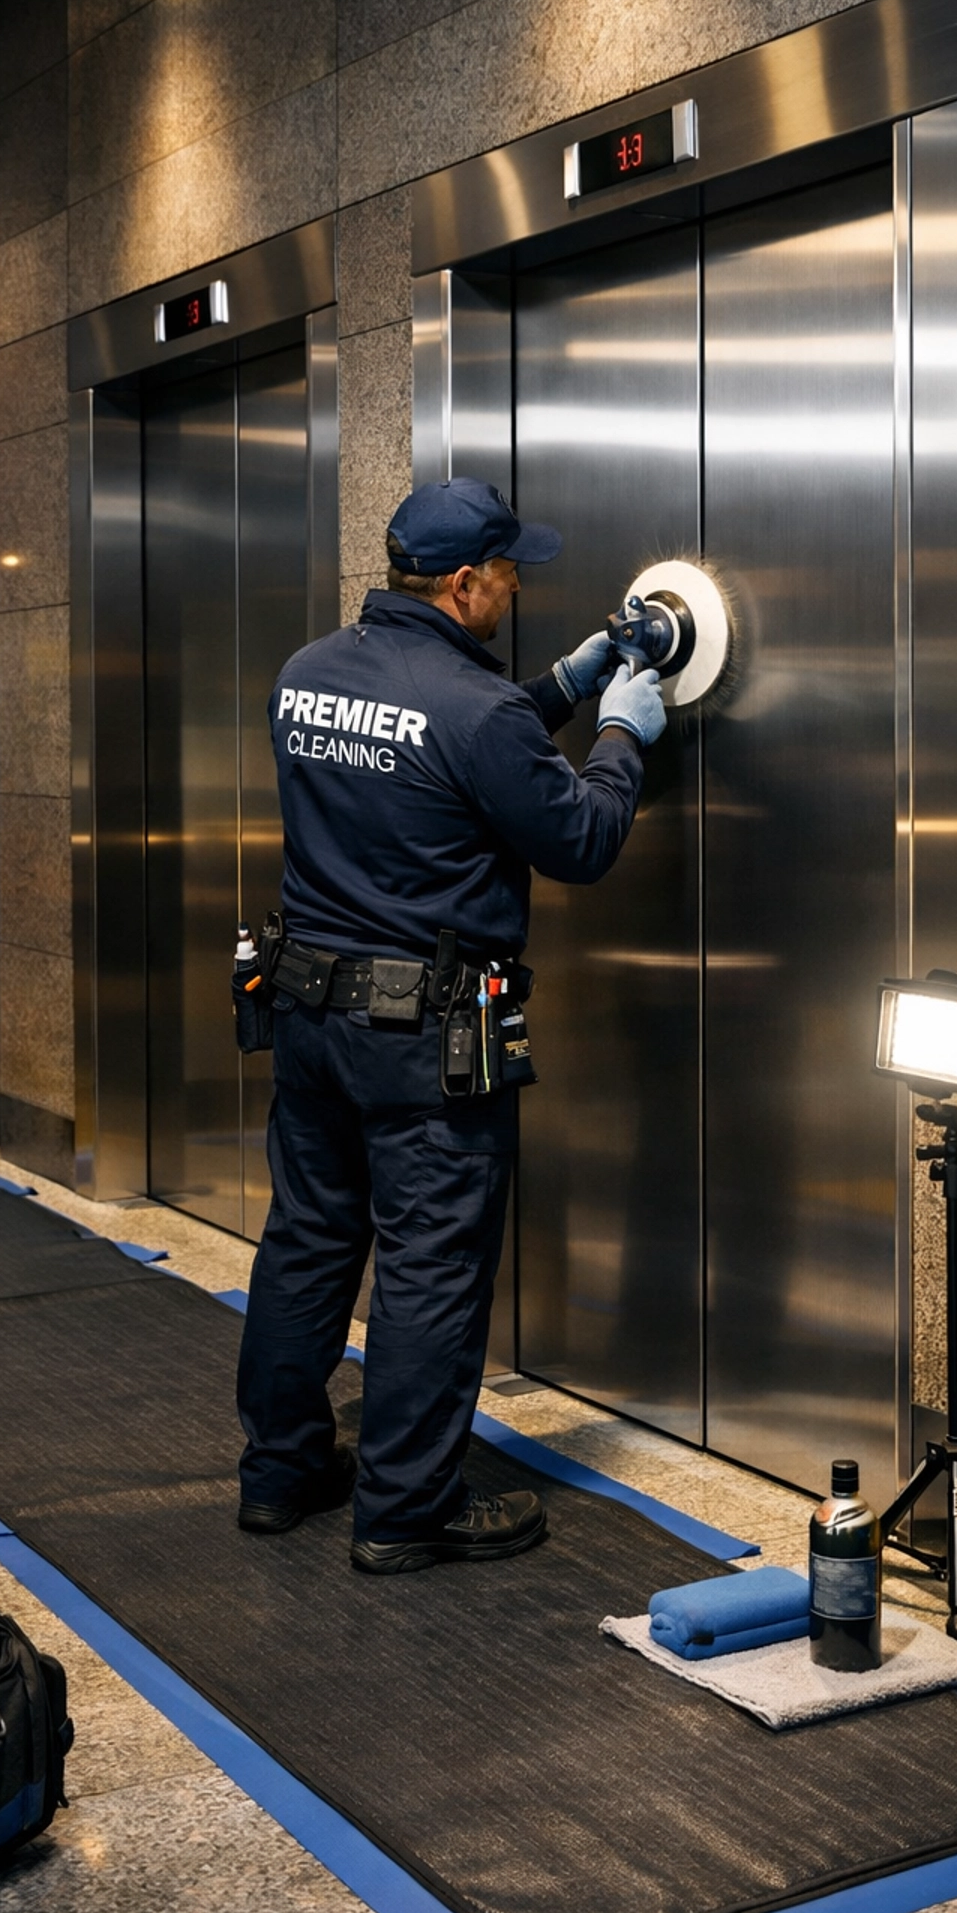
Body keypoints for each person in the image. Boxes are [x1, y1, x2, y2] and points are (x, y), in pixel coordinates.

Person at [235, 475, 667, 1573]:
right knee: (430, 1263)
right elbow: (575, 838)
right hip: (424, 1041)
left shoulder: (307, 675)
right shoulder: (471, 710)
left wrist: (561, 685)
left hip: (310, 1015)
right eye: (511, 571)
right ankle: (405, 1510)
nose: (519, 586)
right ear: (466, 583)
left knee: (308, 1239)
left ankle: (282, 1473)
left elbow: (433, 748)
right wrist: (620, 734)